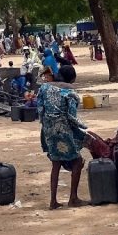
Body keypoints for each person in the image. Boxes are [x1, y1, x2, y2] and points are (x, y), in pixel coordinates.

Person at [37, 64, 87, 210]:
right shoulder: (70, 92)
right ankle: (73, 198)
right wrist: (83, 128)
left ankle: (53, 201)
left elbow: (40, 110)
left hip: (48, 130)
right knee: (77, 161)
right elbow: (72, 116)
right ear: (72, 78)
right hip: (63, 129)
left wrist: (47, 125)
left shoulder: (44, 88)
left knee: (56, 163)